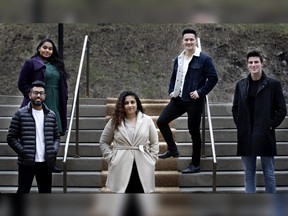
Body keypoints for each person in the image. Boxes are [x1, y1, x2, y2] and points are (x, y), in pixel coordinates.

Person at [157, 28, 218, 174]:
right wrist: (171, 91)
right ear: (182, 41)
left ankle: (195, 164)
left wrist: (200, 92)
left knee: (194, 132)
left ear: (196, 40)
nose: (189, 42)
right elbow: (173, 77)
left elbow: (213, 78)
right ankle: (173, 149)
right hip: (178, 99)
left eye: (191, 39)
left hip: (194, 101)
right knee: (161, 121)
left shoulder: (204, 59)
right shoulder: (179, 58)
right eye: (186, 39)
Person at [232, 50, 287, 193]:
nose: (253, 65)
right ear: (247, 65)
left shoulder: (273, 85)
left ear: (262, 64)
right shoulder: (241, 85)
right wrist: (241, 125)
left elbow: (281, 110)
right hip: (246, 135)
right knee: (248, 174)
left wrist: (270, 125)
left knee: (268, 173)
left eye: (256, 62)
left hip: (265, 134)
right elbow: (235, 108)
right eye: (250, 62)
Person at [18, 38, 68, 173]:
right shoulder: (31, 63)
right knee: (37, 130)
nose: (47, 50)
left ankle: (51, 163)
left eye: (50, 49)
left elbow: (62, 84)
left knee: (53, 131)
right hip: (39, 101)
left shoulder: (58, 65)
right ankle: (33, 159)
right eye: (45, 47)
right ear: (39, 48)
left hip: (55, 100)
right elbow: (22, 83)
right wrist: (33, 95)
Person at [99, 91, 159, 193]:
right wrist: (111, 158)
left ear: (137, 103)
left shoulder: (147, 120)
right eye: (126, 103)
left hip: (143, 163)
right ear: (121, 106)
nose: (130, 105)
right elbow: (103, 142)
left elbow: (154, 142)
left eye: (132, 102)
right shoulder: (114, 121)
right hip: (121, 164)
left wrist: (152, 159)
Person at [7, 80, 61, 194]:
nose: (38, 95)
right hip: (27, 162)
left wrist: (53, 150)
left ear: (44, 96)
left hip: (46, 163)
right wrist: (23, 151)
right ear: (30, 95)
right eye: (35, 93)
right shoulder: (20, 114)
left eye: (41, 93)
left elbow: (56, 137)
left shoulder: (51, 115)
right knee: (23, 191)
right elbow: (11, 137)